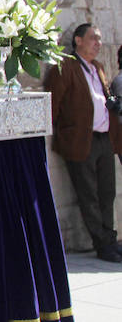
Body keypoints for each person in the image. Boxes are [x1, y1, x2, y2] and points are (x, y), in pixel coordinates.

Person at [45, 23, 122, 262]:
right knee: (89, 194)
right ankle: (103, 244)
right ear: (78, 40)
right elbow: (53, 103)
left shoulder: (97, 67)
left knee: (106, 192)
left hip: (103, 139)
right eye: (93, 39)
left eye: (99, 39)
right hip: (81, 140)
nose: (98, 43)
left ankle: (110, 239)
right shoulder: (66, 66)